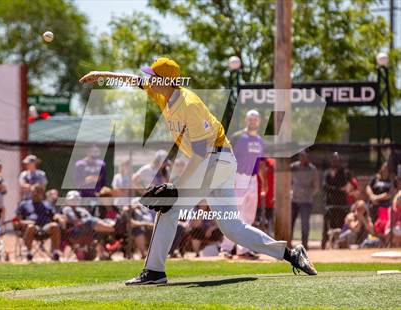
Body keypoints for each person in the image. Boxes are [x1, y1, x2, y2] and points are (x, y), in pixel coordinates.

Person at [80, 57, 317, 285]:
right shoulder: (162, 94)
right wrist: (101, 75)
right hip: (217, 162)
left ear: (166, 81)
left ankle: (154, 271)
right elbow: (134, 80)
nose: (149, 79)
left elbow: (202, 153)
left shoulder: (189, 104)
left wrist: (176, 188)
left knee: (169, 208)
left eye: (154, 76)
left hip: (216, 160)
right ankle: (291, 254)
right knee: (233, 228)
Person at [221, 109, 267, 259]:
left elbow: (261, 164)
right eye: (250, 119)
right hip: (238, 176)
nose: (253, 121)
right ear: (246, 121)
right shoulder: (238, 137)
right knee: (234, 212)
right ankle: (226, 249)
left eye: (255, 119)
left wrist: (263, 181)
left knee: (248, 216)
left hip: (252, 179)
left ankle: (243, 250)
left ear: (259, 122)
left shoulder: (260, 140)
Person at [15, 185, 61, 261]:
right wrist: (25, 222)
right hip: (32, 228)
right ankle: (28, 252)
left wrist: (59, 217)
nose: (35, 194)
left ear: (42, 193)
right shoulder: (24, 204)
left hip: (45, 228)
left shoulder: (47, 204)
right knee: (31, 227)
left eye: (38, 192)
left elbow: (54, 215)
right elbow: (17, 221)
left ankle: (54, 252)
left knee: (55, 225)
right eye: (33, 192)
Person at [321, 152, 351, 249]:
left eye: (337, 160)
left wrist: (335, 189)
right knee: (328, 225)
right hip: (329, 203)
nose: (335, 162)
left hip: (341, 204)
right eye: (333, 160)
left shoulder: (344, 172)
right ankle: (325, 244)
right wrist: (338, 189)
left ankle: (341, 245)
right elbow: (325, 187)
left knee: (341, 225)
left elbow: (346, 186)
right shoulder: (327, 173)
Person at [291, 151, 319, 249]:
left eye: (304, 156)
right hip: (294, 200)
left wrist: (308, 194)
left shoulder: (312, 169)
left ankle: (304, 245)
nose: (302, 158)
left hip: (306, 201)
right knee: (290, 222)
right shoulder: (294, 167)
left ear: (307, 157)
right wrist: (292, 191)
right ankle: (288, 243)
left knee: (305, 224)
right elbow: (288, 181)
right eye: (301, 156)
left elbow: (316, 186)